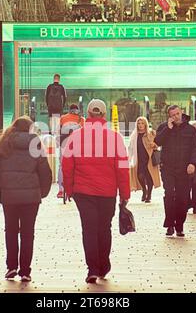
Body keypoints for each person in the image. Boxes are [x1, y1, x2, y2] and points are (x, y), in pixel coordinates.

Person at [62, 99, 130, 283]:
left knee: (89, 229)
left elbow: (66, 165)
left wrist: (69, 189)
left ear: (88, 115)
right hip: (107, 192)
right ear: (104, 115)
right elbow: (123, 167)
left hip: (83, 192)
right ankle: (103, 265)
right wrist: (125, 193)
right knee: (104, 228)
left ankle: (92, 268)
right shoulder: (115, 137)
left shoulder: (75, 137)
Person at [0, 116, 52, 282]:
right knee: (28, 233)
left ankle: (11, 267)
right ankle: (25, 271)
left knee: (11, 231)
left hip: (9, 197)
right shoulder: (35, 143)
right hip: (31, 198)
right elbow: (45, 171)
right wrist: (42, 192)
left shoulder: (5, 144)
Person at [154, 105, 196, 238]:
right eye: (173, 115)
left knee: (182, 198)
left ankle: (179, 225)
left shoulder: (190, 129)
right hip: (168, 168)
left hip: (184, 169)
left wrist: (193, 163)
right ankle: (169, 224)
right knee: (169, 194)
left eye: (178, 114)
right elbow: (157, 142)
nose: (176, 117)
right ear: (169, 116)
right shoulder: (164, 127)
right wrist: (168, 130)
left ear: (182, 113)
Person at [128, 116, 161, 203]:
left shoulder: (151, 133)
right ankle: (144, 190)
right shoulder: (134, 135)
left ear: (145, 124)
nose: (140, 125)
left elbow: (157, 144)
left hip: (149, 159)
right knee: (140, 176)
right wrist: (129, 159)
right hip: (139, 159)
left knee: (149, 177)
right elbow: (131, 148)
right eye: (139, 123)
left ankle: (148, 195)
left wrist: (154, 145)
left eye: (142, 123)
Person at [57, 103, 85, 198]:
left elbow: (59, 131)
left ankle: (60, 190)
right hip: (76, 144)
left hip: (64, 143)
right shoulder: (81, 119)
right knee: (77, 165)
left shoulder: (63, 118)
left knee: (61, 165)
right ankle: (75, 187)